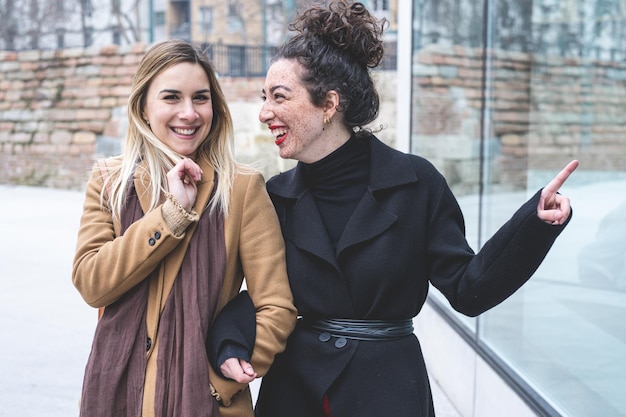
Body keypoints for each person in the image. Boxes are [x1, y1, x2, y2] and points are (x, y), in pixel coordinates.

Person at [254, 2, 578, 416]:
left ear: (329, 103)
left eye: (279, 97)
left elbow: (467, 288)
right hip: (294, 394)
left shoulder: (415, 183)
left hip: (389, 392)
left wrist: (533, 224)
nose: (265, 112)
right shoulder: (276, 195)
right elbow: (259, 298)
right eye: (264, 97)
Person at [72, 39, 297, 417]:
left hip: (204, 403)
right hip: (114, 395)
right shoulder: (109, 181)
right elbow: (92, 283)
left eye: (201, 98)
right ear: (144, 107)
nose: (189, 113)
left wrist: (217, 382)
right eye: (172, 97)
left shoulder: (241, 189)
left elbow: (276, 306)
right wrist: (172, 214)